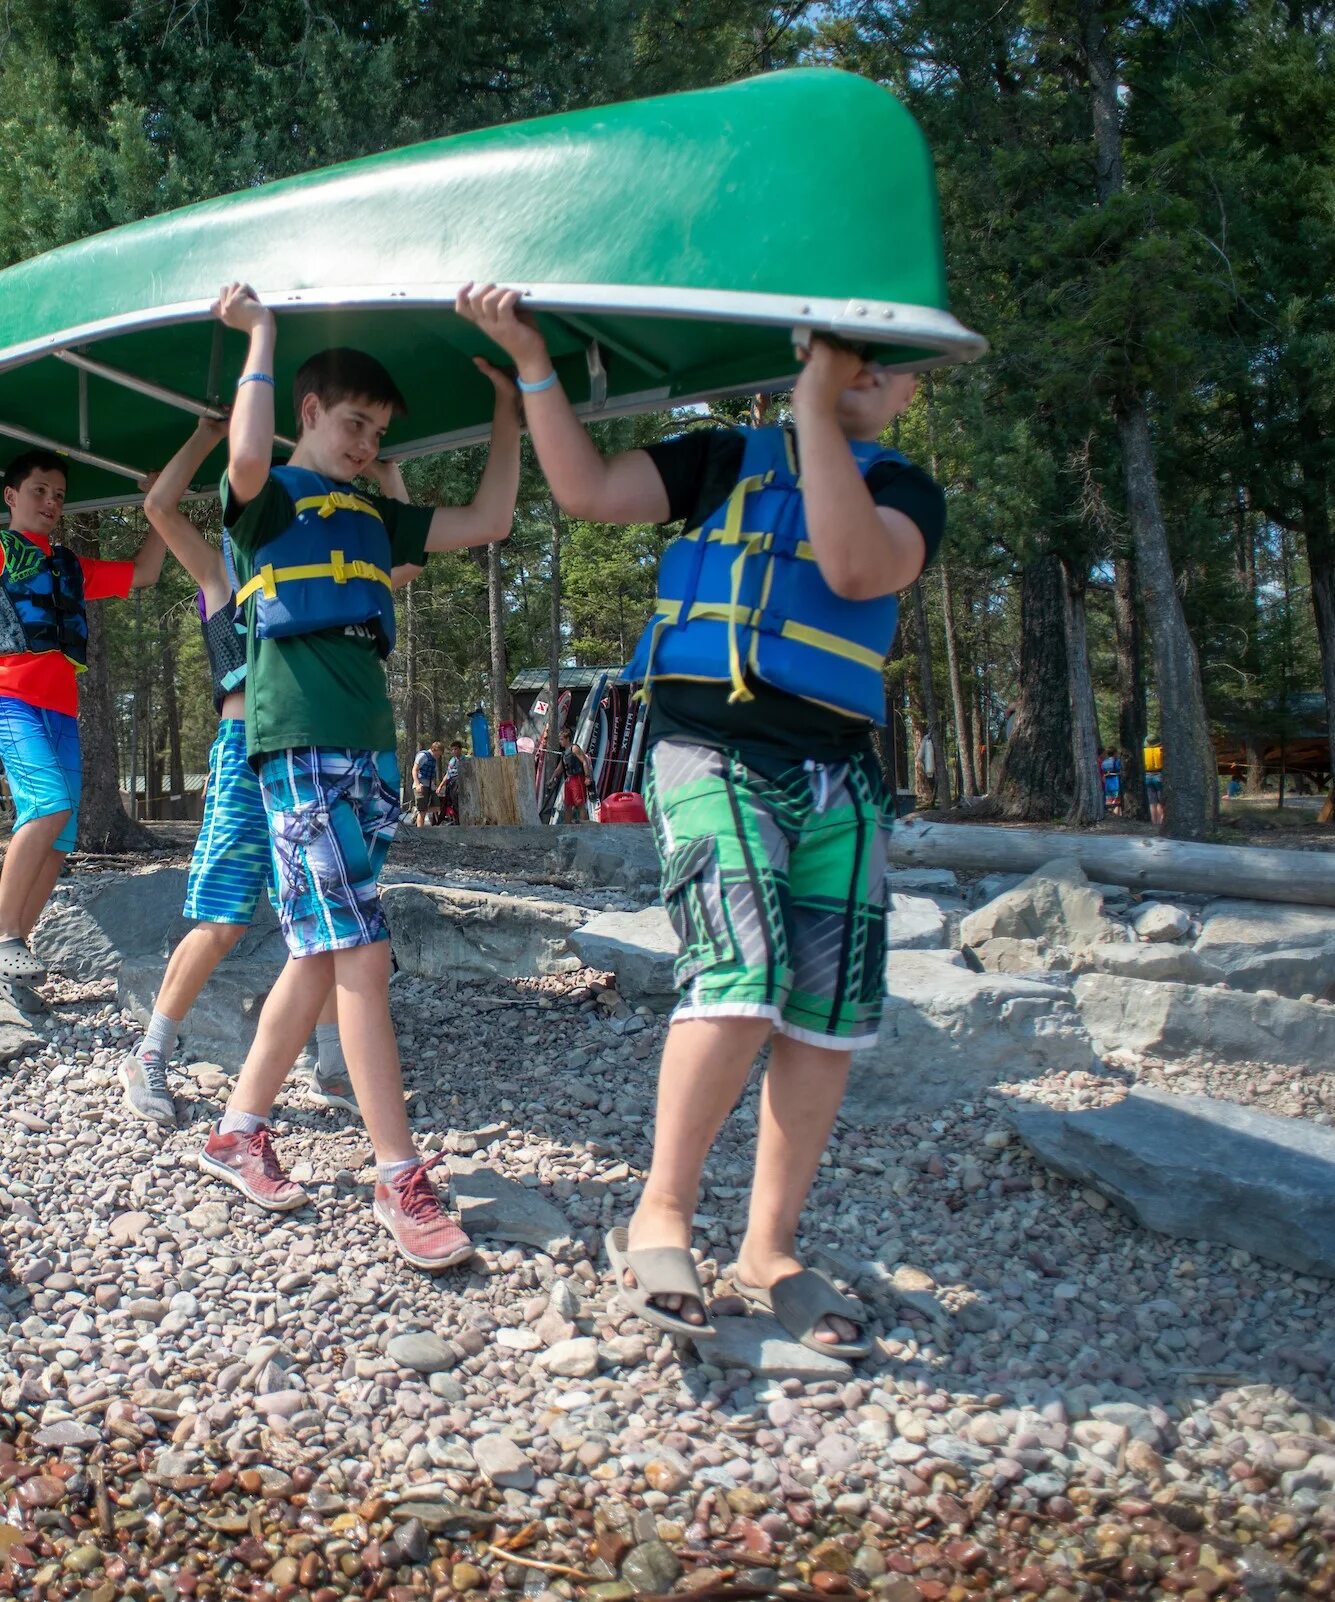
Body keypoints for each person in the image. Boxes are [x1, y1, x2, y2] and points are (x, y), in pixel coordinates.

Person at [458, 284, 946, 1356]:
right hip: (712, 750)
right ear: (813, 351)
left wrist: (815, 411)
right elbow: (584, 490)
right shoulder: (725, 456)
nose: (880, 375)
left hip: (838, 778)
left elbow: (857, 565)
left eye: (896, 364)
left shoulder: (907, 489)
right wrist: (534, 358)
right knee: (740, 976)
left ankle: (770, 1250)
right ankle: (661, 1218)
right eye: (862, 353)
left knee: (823, 1019)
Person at [195, 282, 520, 1270]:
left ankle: (238, 1130)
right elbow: (244, 458)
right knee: (363, 958)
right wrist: (263, 334)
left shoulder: (379, 514)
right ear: (309, 414)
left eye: (377, 430)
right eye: (352, 423)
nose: (367, 443)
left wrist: (509, 412)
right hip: (294, 744)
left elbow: (494, 515)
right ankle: (397, 1176)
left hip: (368, 748)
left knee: (322, 953)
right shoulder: (268, 502)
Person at [123, 417, 423, 1123]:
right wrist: (202, 433)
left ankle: (328, 1061)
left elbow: (401, 558)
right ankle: (150, 1053)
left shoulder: (318, 562)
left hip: (316, 745)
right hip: (244, 751)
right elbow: (160, 508)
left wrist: (387, 480)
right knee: (225, 917)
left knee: (326, 919)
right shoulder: (223, 570)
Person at [0, 399, 165, 1010]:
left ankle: (14, 940)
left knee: (63, 834)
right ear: (12, 494)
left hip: (61, 711)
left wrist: (160, 506)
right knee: (45, 804)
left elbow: (145, 572)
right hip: (7, 698)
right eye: (40, 490)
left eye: (59, 493)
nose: (52, 501)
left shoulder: (71, 565)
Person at [412, 739, 439, 824]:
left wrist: (435, 784)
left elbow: (432, 773)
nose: (438, 756)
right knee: (422, 812)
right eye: (438, 754)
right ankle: (420, 832)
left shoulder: (433, 759)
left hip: (430, 785)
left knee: (437, 807)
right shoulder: (423, 756)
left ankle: (417, 810)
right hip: (421, 785)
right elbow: (414, 770)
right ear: (434, 750)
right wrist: (417, 785)